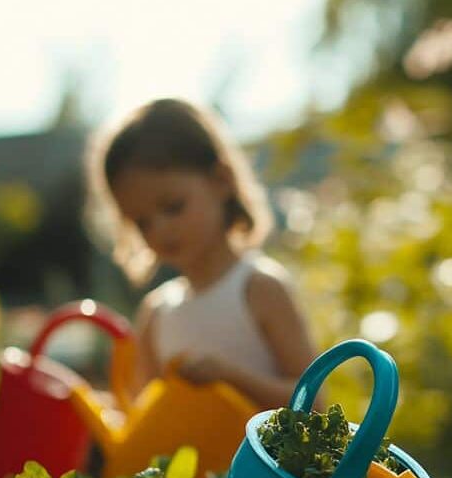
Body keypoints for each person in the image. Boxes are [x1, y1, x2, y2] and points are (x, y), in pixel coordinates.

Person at [86, 98, 316, 409]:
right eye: (142, 222)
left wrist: (230, 378)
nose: (160, 230)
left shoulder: (260, 288)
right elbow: (146, 419)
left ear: (221, 180)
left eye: (173, 207)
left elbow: (314, 404)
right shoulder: (156, 314)